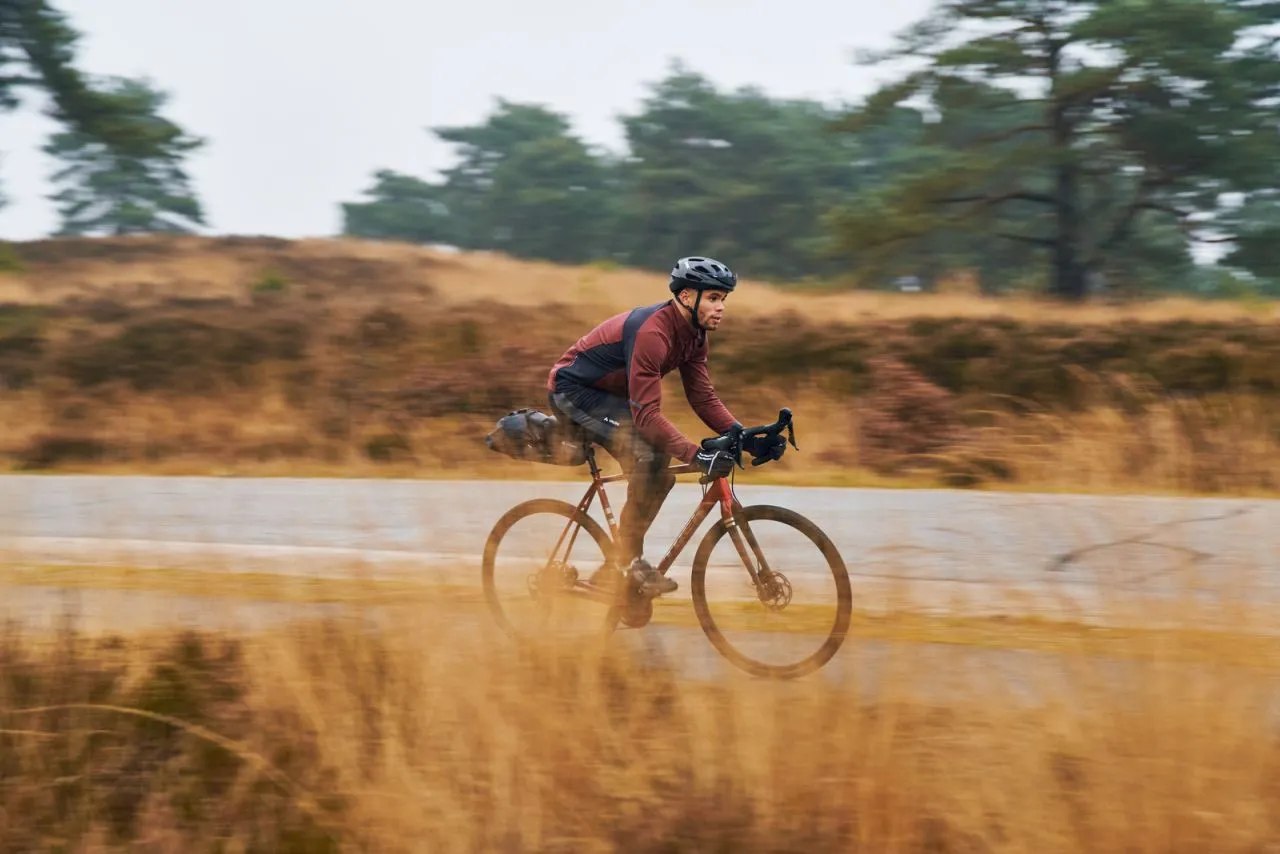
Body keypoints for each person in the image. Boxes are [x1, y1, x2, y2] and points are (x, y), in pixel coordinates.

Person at [546, 255, 785, 597]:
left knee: (661, 471)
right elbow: (645, 415)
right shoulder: (653, 332)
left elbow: (703, 399)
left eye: (723, 300)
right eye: (714, 298)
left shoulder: (695, 336)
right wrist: (696, 453)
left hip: (612, 398)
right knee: (649, 458)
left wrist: (745, 437)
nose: (721, 308)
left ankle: (616, 568)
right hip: (573, 392)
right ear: (688, 297)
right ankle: (625, 565)